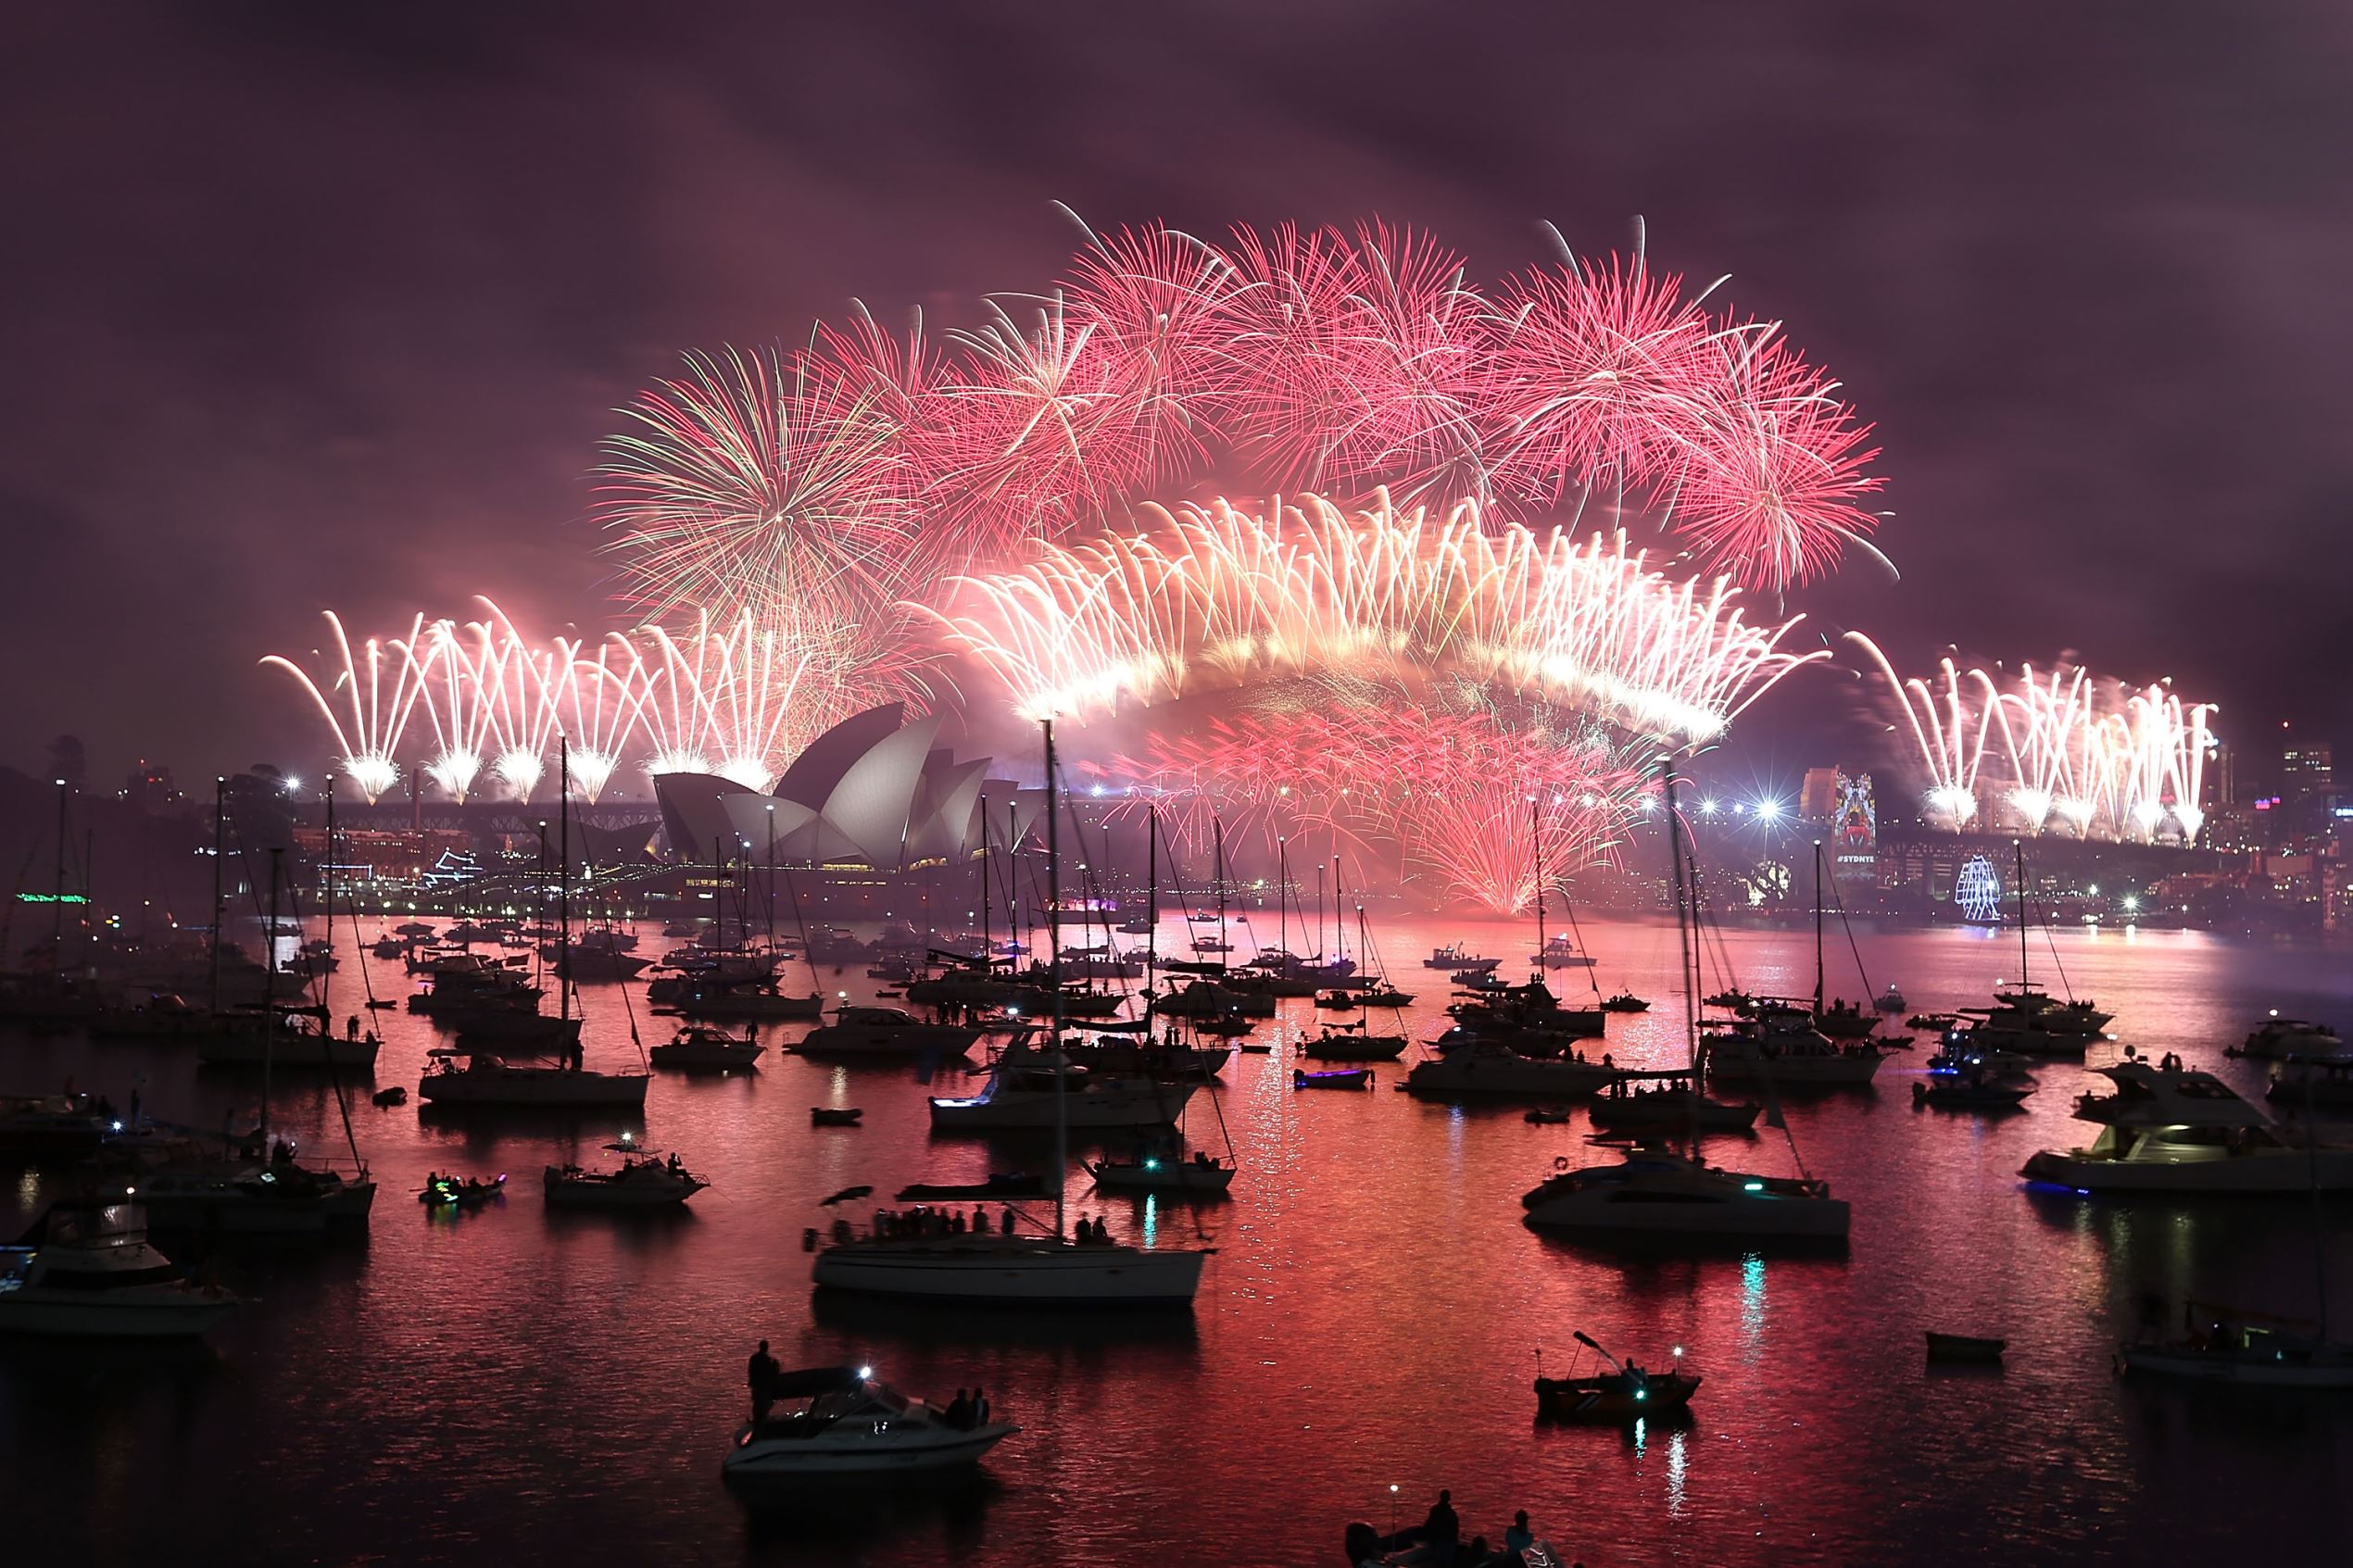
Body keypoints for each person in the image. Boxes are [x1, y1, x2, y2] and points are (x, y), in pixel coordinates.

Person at [747, 1339, 781, 1425]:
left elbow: (751, 1370)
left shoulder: (755, 1358)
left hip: (758, 1385)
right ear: (766, 1348)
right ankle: (762, 1418)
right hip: (764, 1385)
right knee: (764, 1402)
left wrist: (751, 1381)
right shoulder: (769, 1360)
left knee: (757, 1402)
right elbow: (774, 1372)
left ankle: (757, 1419)